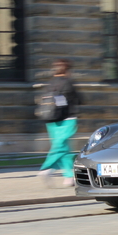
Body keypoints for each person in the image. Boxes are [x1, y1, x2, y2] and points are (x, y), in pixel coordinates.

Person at [38, 59, 81, 187]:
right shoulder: (68, 83)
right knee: (61, 146)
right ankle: (46, 168)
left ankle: (69, 177)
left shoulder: (50, 84)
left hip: (51, 119)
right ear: (68, 70)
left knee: (64, 147)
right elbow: (79, 99)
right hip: (67, 119)